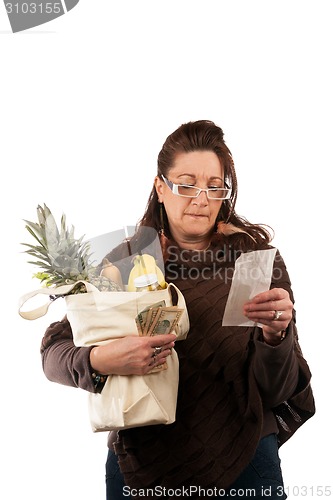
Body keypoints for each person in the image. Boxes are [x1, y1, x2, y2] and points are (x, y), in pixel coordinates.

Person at [41, 120, 315, 500]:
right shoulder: (123, 263)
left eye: (214, 186)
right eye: (186, 184)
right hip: (142, 464)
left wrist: (276, 336)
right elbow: (53, 353)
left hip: (247, 462)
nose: (201, 198)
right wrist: (102, 359)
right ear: (160, 187)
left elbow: (278, 389)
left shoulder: (255, 259)